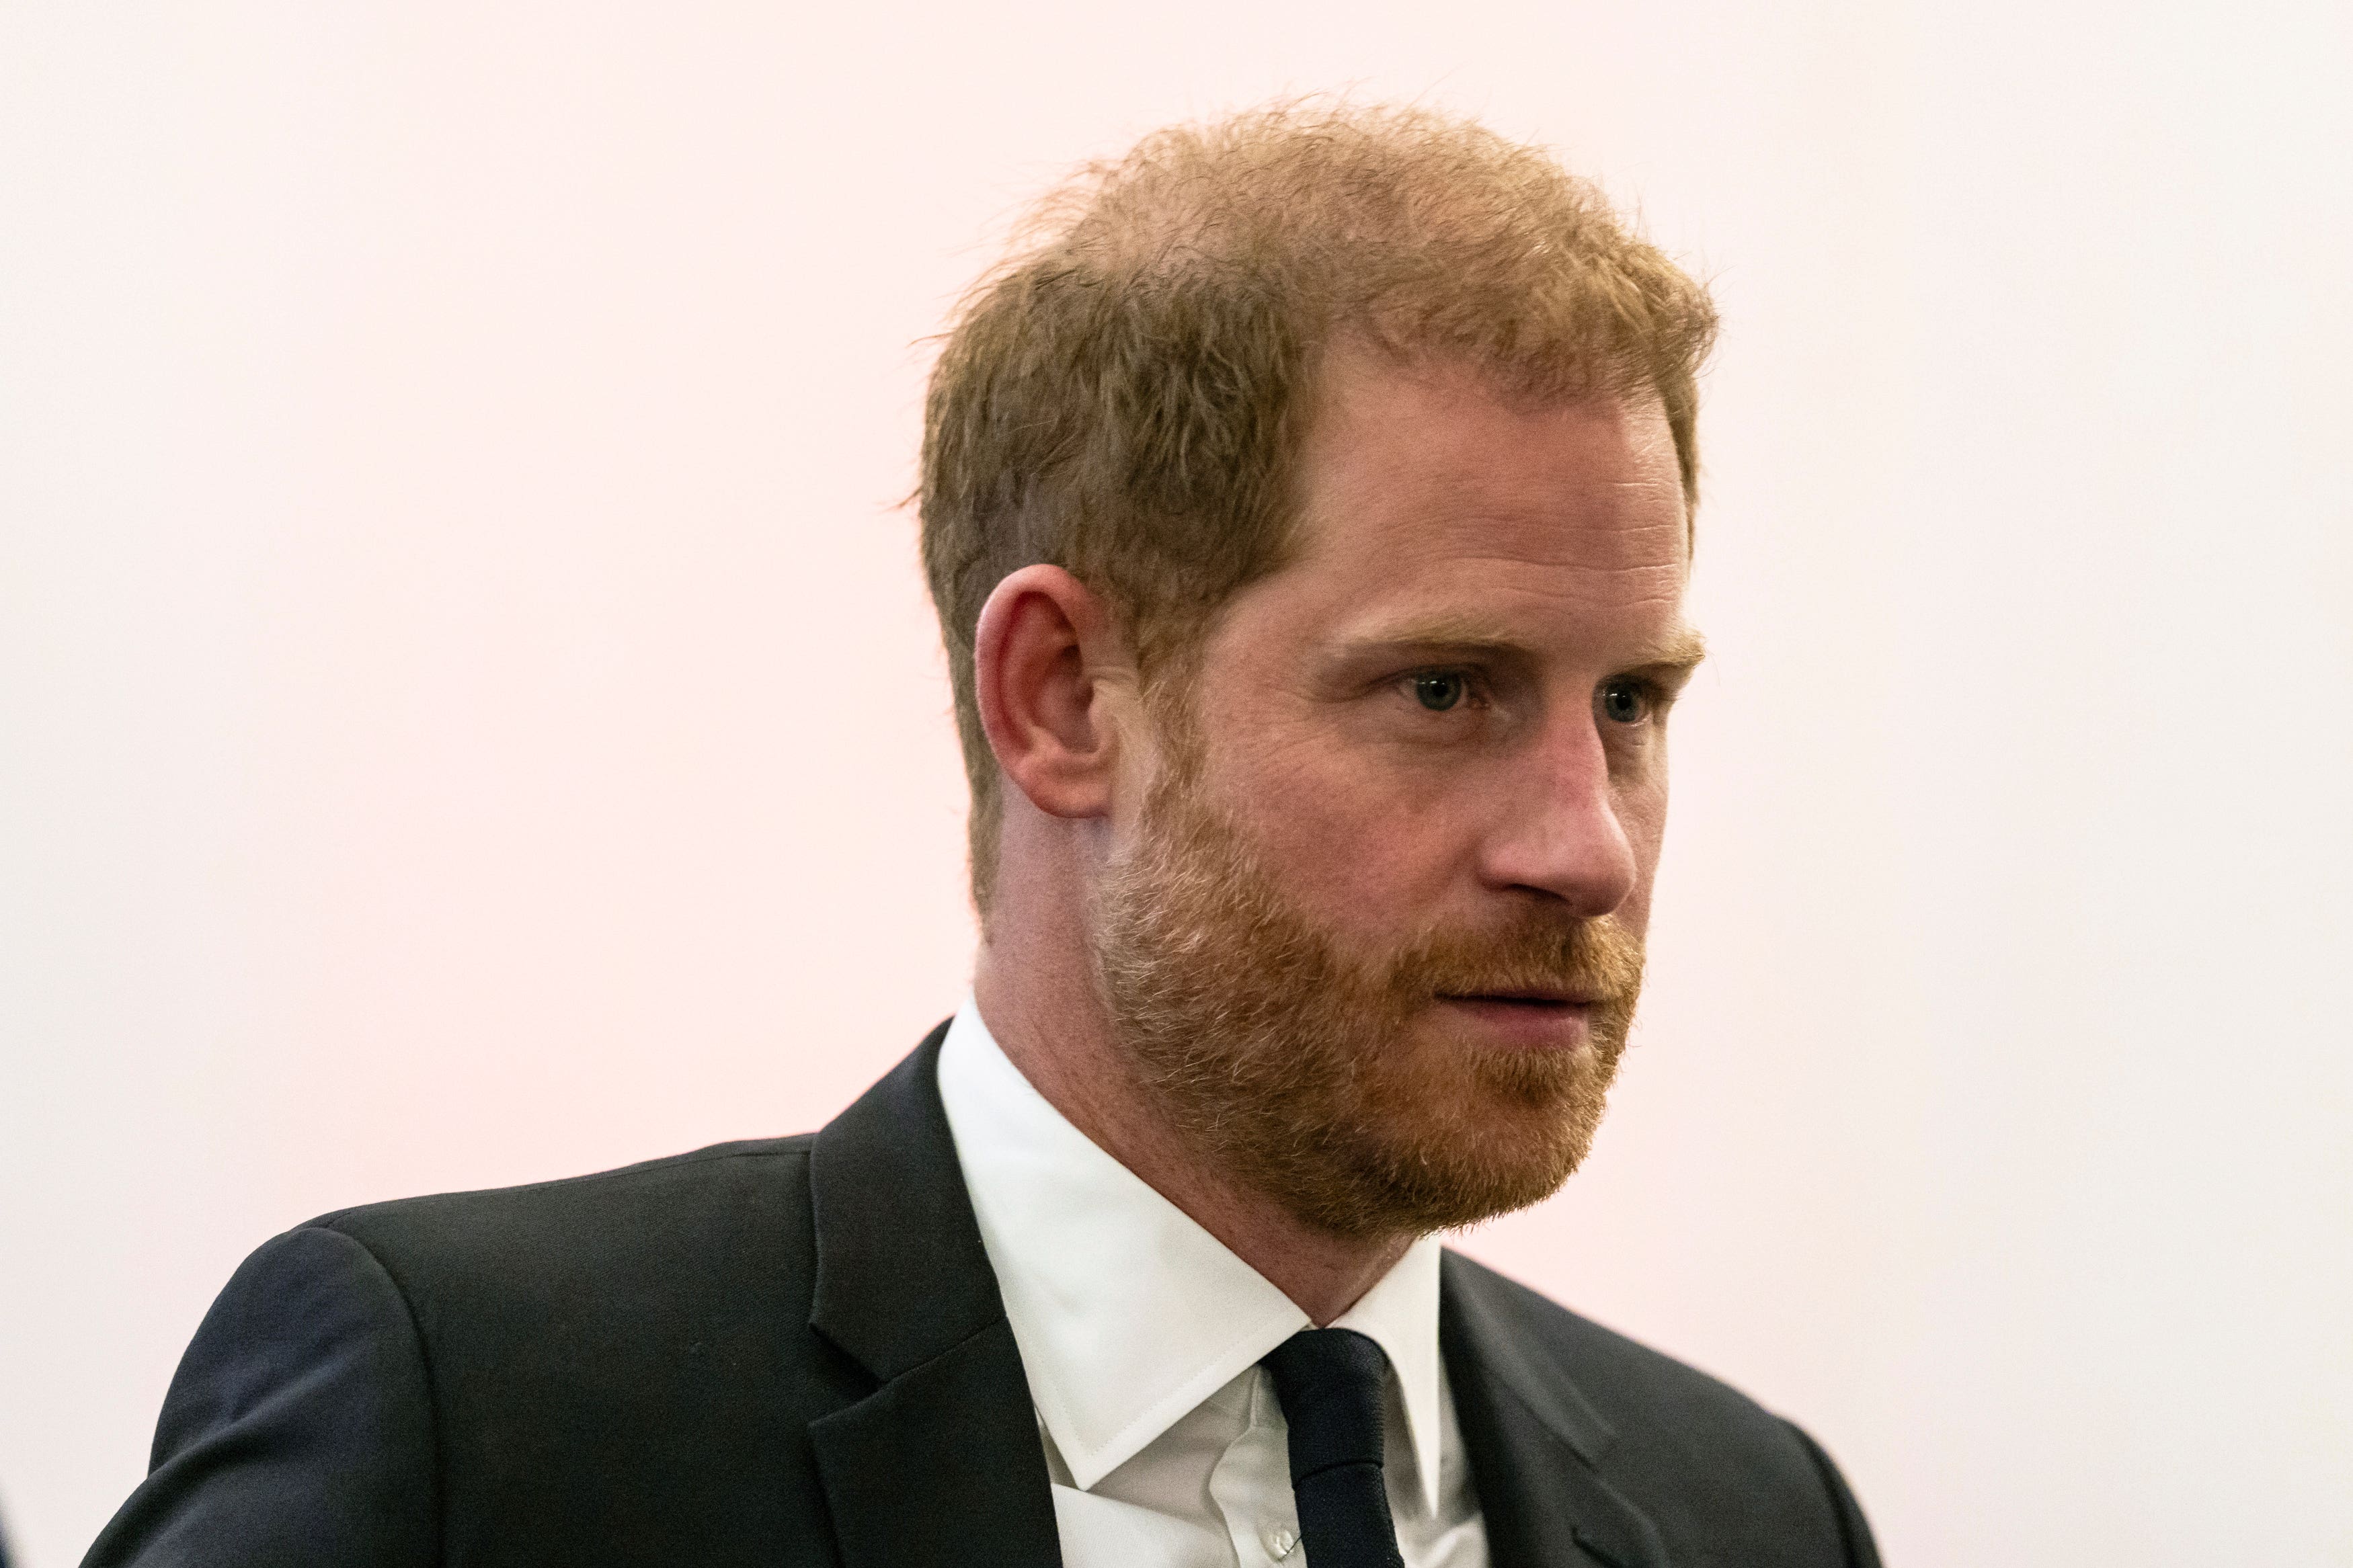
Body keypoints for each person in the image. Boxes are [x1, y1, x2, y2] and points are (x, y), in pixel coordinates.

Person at [84, 103, 1880, 1567]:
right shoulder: (482, 1438)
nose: (1586, 847)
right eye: (1441, 692)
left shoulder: (1748, 1518)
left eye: (1631, 704)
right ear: (1063, 697)